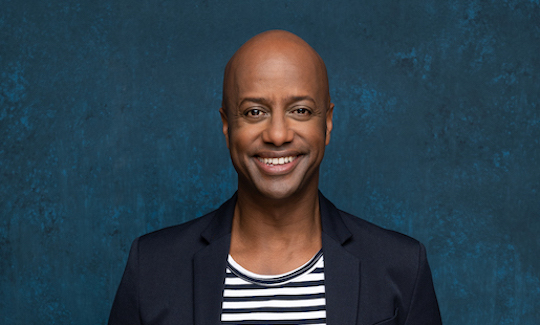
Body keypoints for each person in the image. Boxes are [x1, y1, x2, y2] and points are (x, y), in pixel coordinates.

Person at [108, 30, 442, 325]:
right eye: (255, 112)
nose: (278, 135)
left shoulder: (401, 267)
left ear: (327, 123)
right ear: (227, 125)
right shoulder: (152, 268)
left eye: (301, 111)